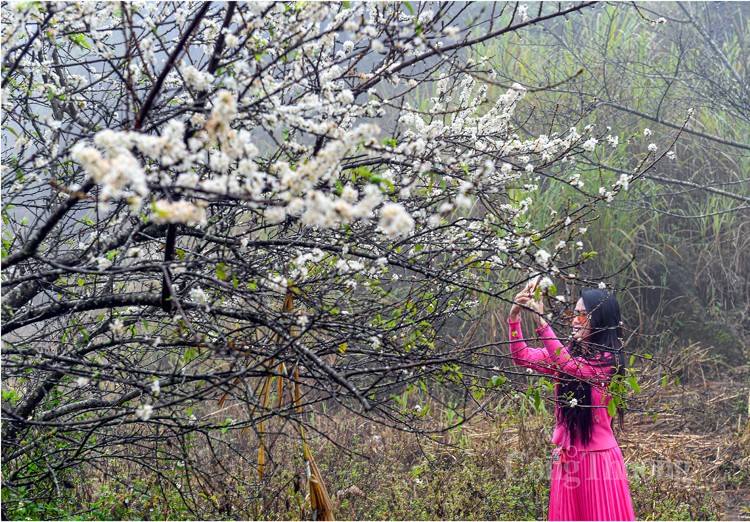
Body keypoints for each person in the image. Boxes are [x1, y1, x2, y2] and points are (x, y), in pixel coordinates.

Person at [507, 284, 635, 521]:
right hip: (567, 459)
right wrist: (514, 317)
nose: (575, 320)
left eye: (582, 315)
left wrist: (542, 323)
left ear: (600, 320)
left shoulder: (608, 362)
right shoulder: (566, 354)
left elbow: (570, 366)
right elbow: (521, 356)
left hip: (598, 462)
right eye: (573, 314)